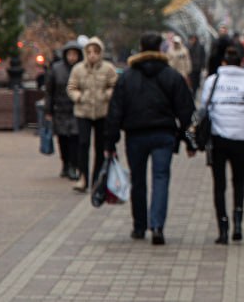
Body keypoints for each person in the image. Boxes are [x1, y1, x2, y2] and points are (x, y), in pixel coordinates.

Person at [105, 32, 195, 245]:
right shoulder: (172, 75)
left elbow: (115, 111)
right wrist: (189, 140)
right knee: (161, 178)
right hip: (164, 135)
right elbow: (186, 112)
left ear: (141, 47)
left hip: (135, 136)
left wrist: (110, 142)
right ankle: (157, 226)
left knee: (138, 181)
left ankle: (139, 226)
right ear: (161, 48)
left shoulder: (127, 77)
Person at [199, 43, 244, 243]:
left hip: (218, 137)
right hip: (241, 137)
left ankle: (222, 228)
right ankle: (238, 223)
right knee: (239, 181)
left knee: (219, 184)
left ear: (223, 62)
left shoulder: (212, 81)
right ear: (241, 62)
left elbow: (203, 106)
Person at [67, 36, 118, 192]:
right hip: (83, 112)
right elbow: (71, 87)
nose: (92, 55)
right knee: (83, 144)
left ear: (100, 53)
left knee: (100, 145)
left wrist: (107, 95)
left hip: (102, 112)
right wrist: (78, 97)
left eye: (95, 52)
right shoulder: (78, 69)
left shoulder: (108, 69)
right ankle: (83, 177)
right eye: (89, 52)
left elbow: (115, 86)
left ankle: (97, 178)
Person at [45, 40, 83, 181]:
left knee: (75, 138)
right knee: (63, 140)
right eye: (70, 54)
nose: (72, 57)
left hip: (76, 109)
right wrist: (48, 110)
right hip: (60, 109)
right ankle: (65, 164)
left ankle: (74, 165)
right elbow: (49, 91)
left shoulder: (82, 69)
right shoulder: (56, 69)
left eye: (75, 54)